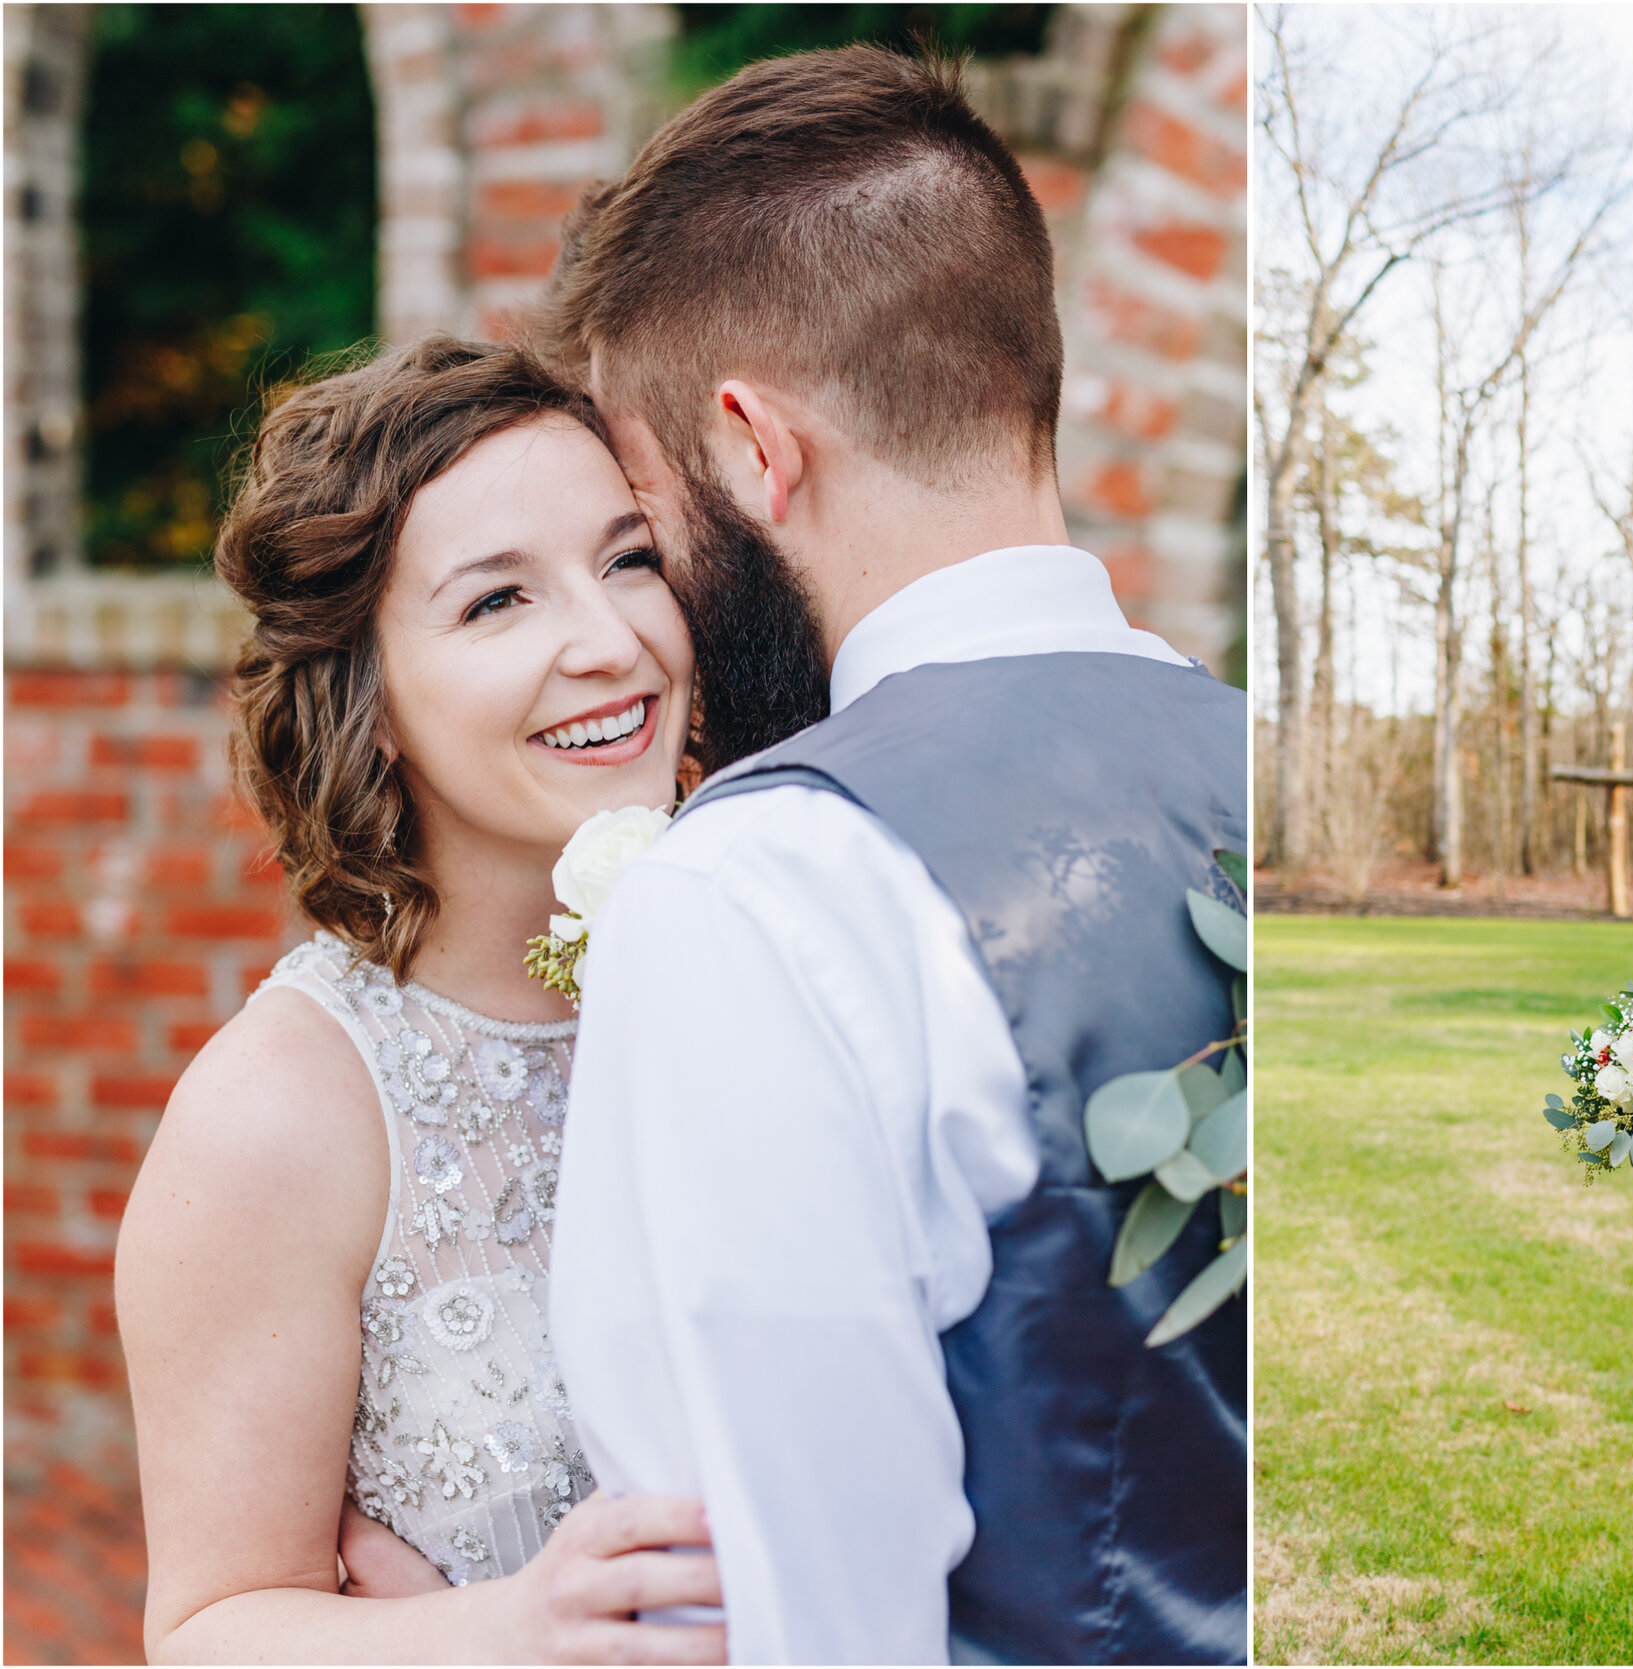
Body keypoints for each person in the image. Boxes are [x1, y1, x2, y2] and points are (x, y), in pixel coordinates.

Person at [532, 46, 1249, 1666]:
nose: (656, 598)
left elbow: (790, 1618)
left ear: (750, 449)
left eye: (645, 523)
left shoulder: (757, 889)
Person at [115, 340, 726, 1662]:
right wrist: (516, 1627)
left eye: (629, 559)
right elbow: (210, 1627)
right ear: (372, 701)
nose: (610, 640)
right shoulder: (281, 1113)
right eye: (498, 601)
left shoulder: (762, 981)